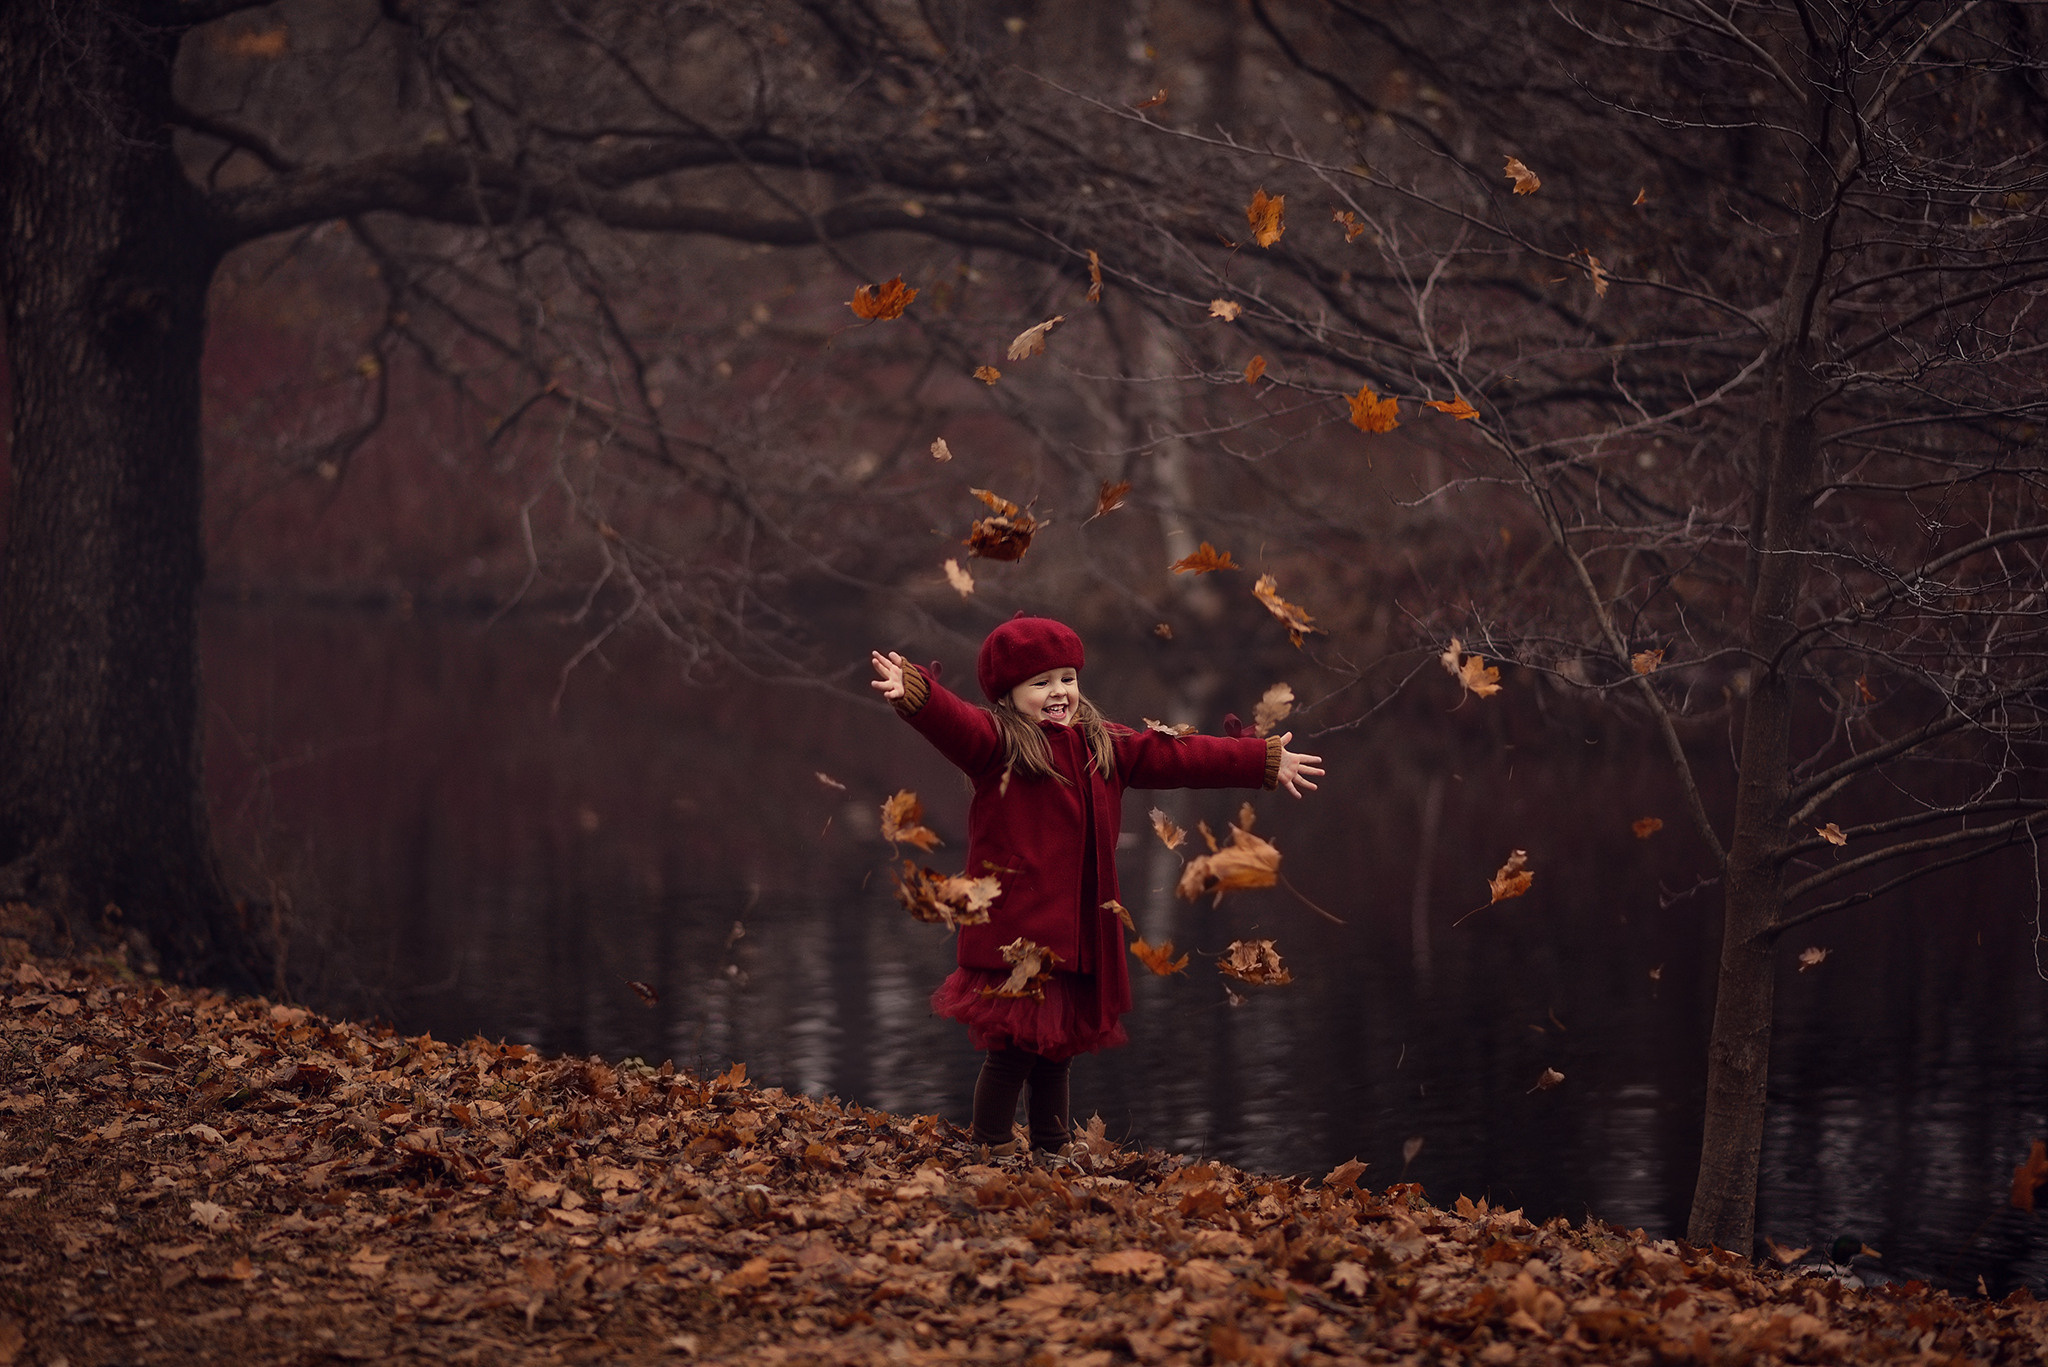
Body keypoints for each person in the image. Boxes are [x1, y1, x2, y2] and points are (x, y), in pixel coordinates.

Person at [870, 614, 1324, 1155]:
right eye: (1040, 684)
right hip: (1019, 936)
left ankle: (1052, 1145)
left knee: (1056, 1049)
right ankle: (988, 1145)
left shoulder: (1105, 745)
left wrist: (1262, 759)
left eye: (1067, 677)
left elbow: (1181, 755)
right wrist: (917, 695)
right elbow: (956, 721)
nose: (1058, 692)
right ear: (1009, 695)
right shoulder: (998, 747)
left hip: (1077, 933)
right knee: (1014, 1049)